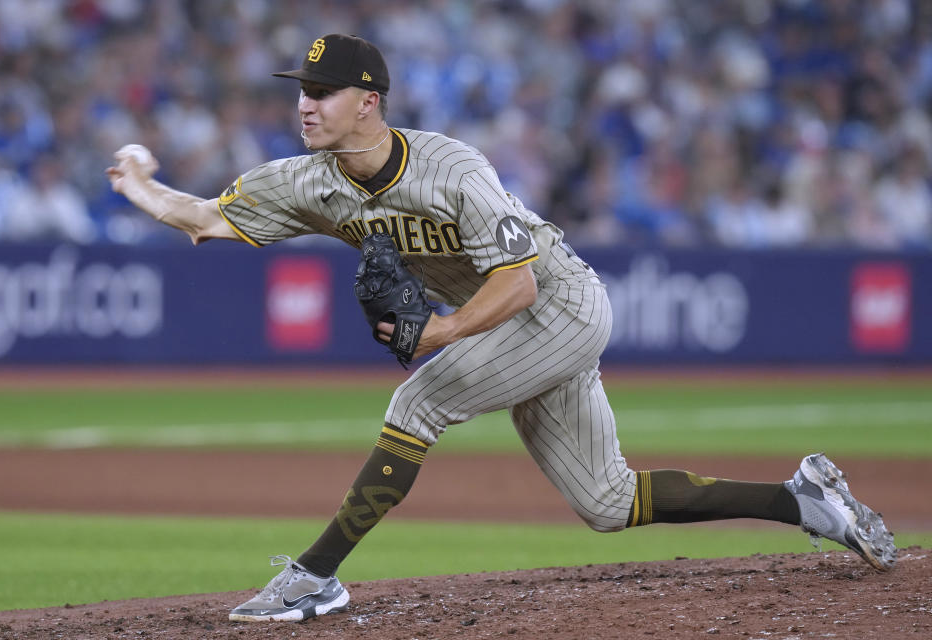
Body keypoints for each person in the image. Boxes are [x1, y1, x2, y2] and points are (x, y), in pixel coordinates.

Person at [106, 34, 896, 623]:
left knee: (418, 404)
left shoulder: (451, 169)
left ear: (370, 101)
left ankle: (316, 576)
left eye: (324, 89)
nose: (305, 103)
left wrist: (441, 333)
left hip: (559, 303)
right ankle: (807, 502)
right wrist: (139, 183)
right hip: (514, 324)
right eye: (301, 89)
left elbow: (515, 285)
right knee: (607, 501)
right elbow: (204, 218)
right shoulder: (306, 182)